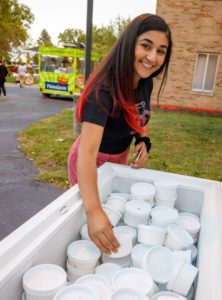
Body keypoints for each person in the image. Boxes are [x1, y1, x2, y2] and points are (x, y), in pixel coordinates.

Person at [68, 13, 172, 254]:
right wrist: (93, 211)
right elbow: (87, 151)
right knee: (90, 224)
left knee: (112, 215)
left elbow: (139, 115)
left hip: (119, 159)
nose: (152, 57)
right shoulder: (103, 89)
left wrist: (143, 139)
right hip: (89, 162)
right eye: (146, 46)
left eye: (161, 50)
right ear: (129, 43)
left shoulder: (146, 81)